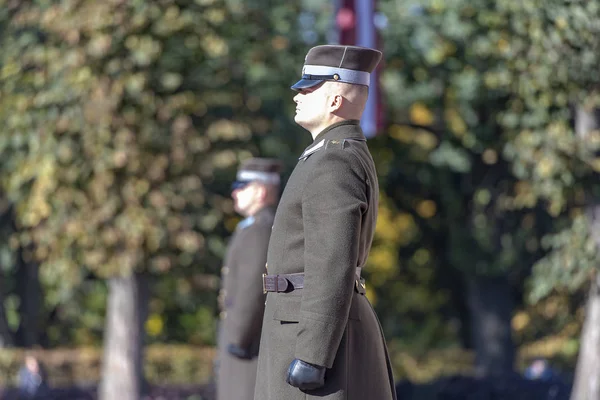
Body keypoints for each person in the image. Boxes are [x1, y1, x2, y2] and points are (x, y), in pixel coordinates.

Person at [254, 45, 397, 399]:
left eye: (309, 86)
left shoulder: (334, 160)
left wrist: (313, 355)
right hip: (302, 329)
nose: (297, 95)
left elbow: (332, 261)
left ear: (335, 100)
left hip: (313, 339)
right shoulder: (328, 154)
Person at [216, 157, 282, 400]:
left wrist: (237, 338)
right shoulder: (251, 227)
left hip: (248, 346)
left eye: (242, 187)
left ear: (261, 191)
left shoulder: (260, 229)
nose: (235, 193)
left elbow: (253, 287)